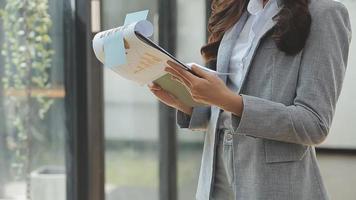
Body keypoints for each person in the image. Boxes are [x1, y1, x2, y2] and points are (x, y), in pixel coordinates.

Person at [148, 0, 352, 199]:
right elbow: (224, 111)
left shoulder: (325, 13)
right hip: (215, 177)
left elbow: (313, 124)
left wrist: (229, 101)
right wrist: (184, 102)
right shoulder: (236, 9)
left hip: (273, 185)